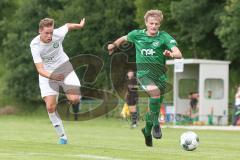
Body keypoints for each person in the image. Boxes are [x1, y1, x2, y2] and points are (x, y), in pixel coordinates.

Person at [107, 10, 182, 147]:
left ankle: (147, 131)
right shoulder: (137, 35)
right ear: (146, 23)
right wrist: (113, 45)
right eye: (151, 23)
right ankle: (156, 124)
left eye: (156, 24)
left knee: (155, 106)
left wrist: (171, 53)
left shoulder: (164, 37)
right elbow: (123, 38)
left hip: (160, 76)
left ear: (160, 25)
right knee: (155, 93)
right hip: (143, 75)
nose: (154, 26)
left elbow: (178, 53)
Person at [30, 17, 85, 144]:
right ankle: (63, 136)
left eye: (51, 32)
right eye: (46, 33)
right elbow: (40, 69)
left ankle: (78, 99)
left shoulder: (58, 34)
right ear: (40, 31)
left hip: (64, 68)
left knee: (74, 99)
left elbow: (68, 25)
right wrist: (52, 76)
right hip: (47, 74)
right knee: (50, 107)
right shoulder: (34, 45)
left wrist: (80, 26)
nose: (50, 36)